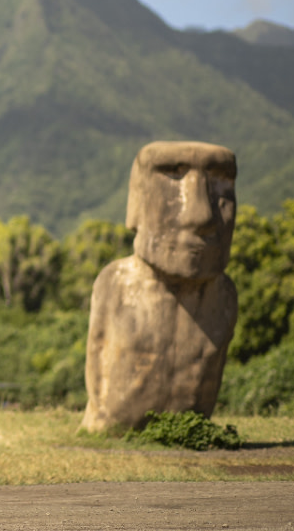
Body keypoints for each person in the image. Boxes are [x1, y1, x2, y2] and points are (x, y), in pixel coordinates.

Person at [81, 141, 238, 432]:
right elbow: (97, 367)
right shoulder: (116, 283)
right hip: (115, 440)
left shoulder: (224, 295)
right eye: (173, 176)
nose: (200, 214)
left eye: (219, 181)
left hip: (189, 435)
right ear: (135, 200)